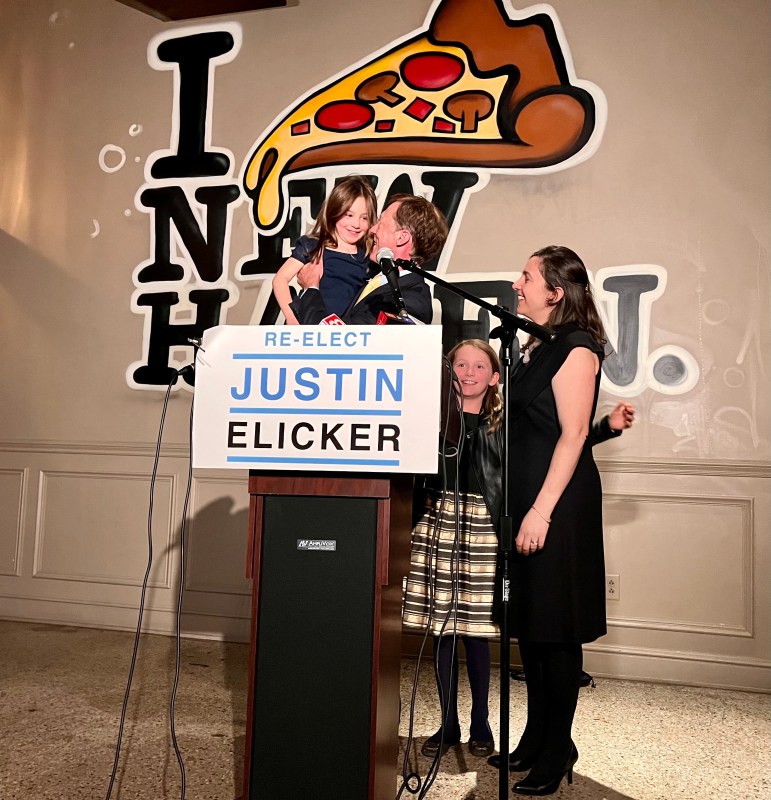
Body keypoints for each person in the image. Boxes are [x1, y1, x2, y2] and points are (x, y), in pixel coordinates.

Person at [404, 338, 633, 763]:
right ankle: (448, 722)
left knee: (475, 631)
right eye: (459, 365)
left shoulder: (506, 422)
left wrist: (606, 427)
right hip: (438, 523)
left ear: (495, 378)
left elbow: (563, 441)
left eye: (478, 366)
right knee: (443, 630)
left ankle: (480, 723)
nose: (468, 373)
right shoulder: (432, 421)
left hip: (485, 527)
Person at [493, 245, 615, 796]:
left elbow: (572, 436)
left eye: (527, 276)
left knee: (557, 629)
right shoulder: (535, 345)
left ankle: (558, 744)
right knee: (534, 629)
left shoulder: (577, 348)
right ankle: (538, 736)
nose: (517, 284)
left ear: (555, 292)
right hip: (528, 501)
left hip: (557, 507)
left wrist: (540, 511)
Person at [289, 193, 448, 324]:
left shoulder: (409, 300)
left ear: (401, 238)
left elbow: (343, 343)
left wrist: (311, 289)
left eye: (381, 222)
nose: (372, 229)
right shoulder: (376, 279)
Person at [272, 175, 377, 324]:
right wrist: (291, 316)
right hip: (309, 325)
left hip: (343, 335)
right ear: (334, 211)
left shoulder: (367, 257)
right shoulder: (314, 246)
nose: (356, 224)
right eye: (349, 215)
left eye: (364, 218)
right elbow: (280, 279)